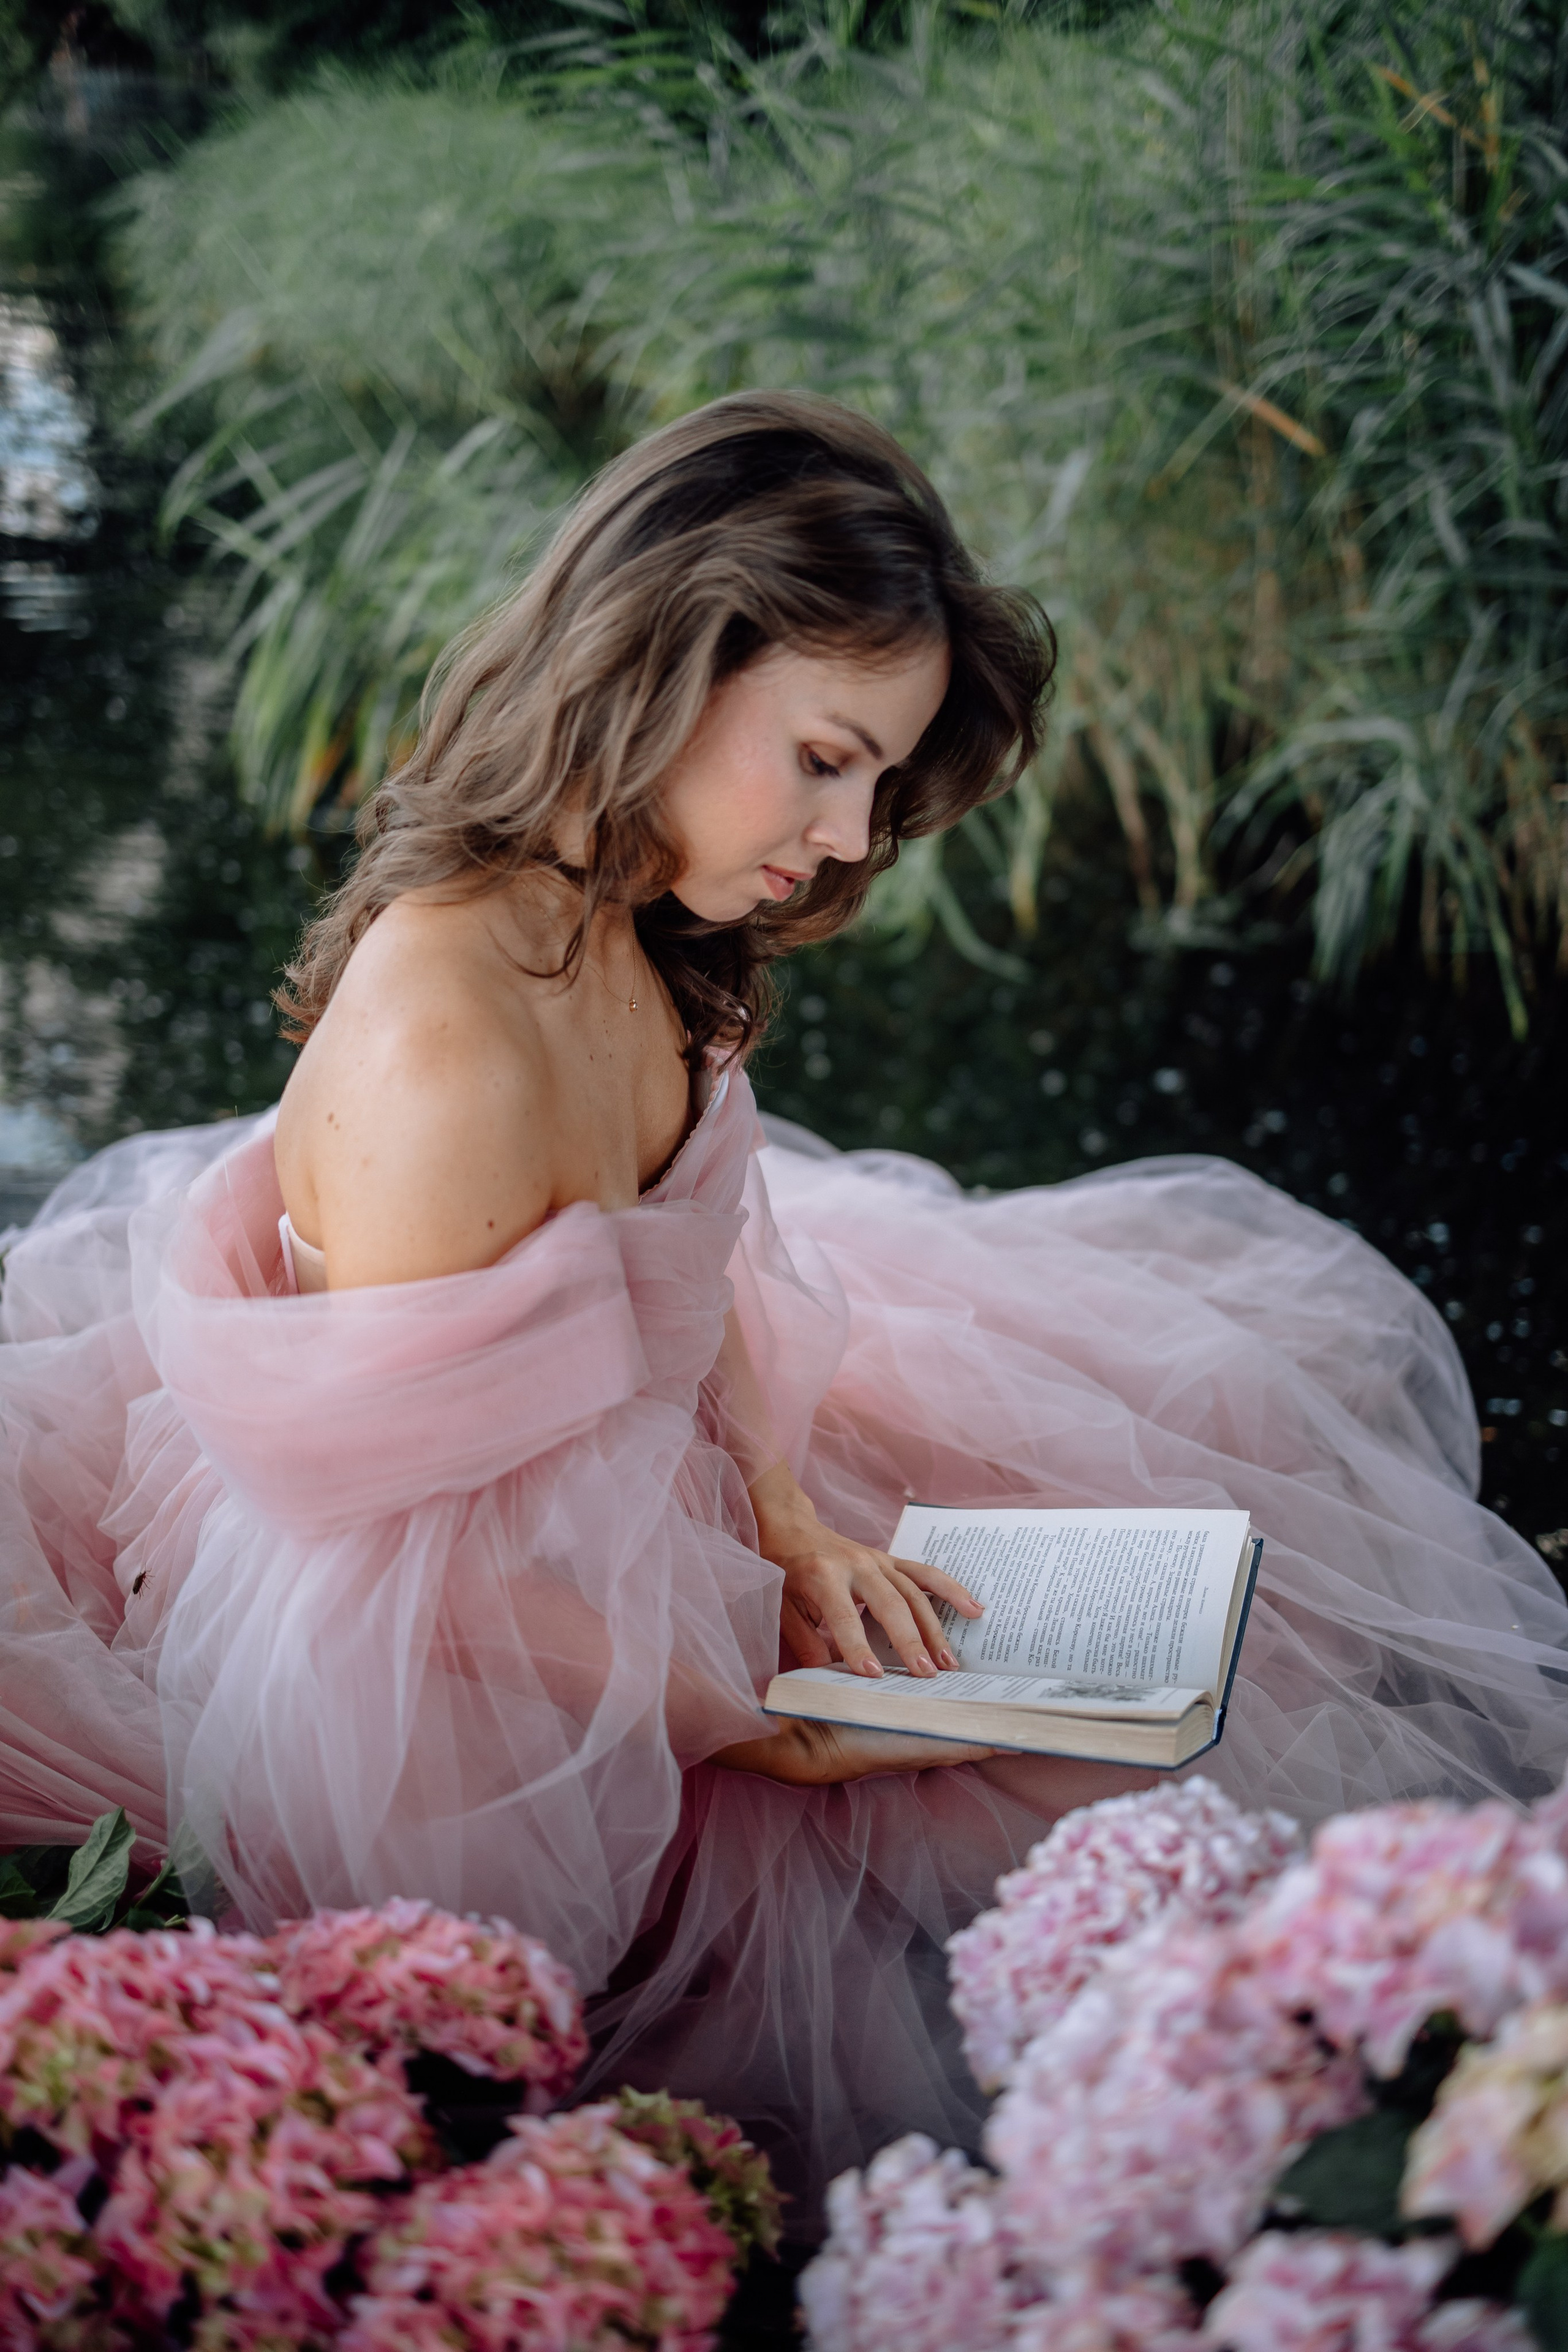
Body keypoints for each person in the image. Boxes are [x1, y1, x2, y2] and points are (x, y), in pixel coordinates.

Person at [2, 391, 1565, 2230]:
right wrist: (750, 1715)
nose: (844, 837)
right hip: (462, 1642)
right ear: (667, 663)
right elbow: (409, 1572)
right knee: (934, 1837)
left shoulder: (642, 915)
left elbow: (705, 1246)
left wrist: (794, 1508)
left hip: (638, 1497)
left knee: (1209, 1586)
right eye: (826, 760)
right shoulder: (449, 1048)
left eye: (878, 786)